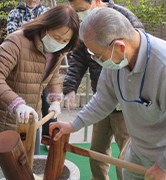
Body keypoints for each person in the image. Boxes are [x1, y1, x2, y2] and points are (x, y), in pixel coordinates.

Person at [50, 7, 166, 180]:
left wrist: (163, 166)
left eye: (97, 55)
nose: (96, 60)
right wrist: (74, 125)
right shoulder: (117, 60)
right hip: (138, 151)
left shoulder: (162, 65)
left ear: (120, 46)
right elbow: (103, 100)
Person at [0, 4, 79, 156]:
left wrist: (54, 100)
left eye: (65, 40)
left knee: (30, 165)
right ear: (45, 26)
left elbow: (52, 75)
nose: (60, 43)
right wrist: (17, 104)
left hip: (31, 122)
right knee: (7, 171)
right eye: (57, 37)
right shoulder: (17, 40)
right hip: (5, 120)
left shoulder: (58, 51)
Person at [63, 0, 144, 179]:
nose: (79, 14)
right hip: (102, 96)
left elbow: (135, 57)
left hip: (126, 103)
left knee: (127, 157)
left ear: (97, 1)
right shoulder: (86, 26)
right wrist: (70, 88)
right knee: (97, 151)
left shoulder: (123, 18)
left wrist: (128, 94)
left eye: (81, 9)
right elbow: (78, 58)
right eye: (75, 11)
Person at [6, 0, 54, 150]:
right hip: (21, 64)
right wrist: (34, 29)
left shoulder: (47, 12)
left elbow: (48, 36)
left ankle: (48, 138)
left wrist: (26, 29)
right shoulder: (14, 13)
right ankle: (16, 140)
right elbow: (11, 34)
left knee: (46, 104)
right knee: (21, 103)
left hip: (42, 64)